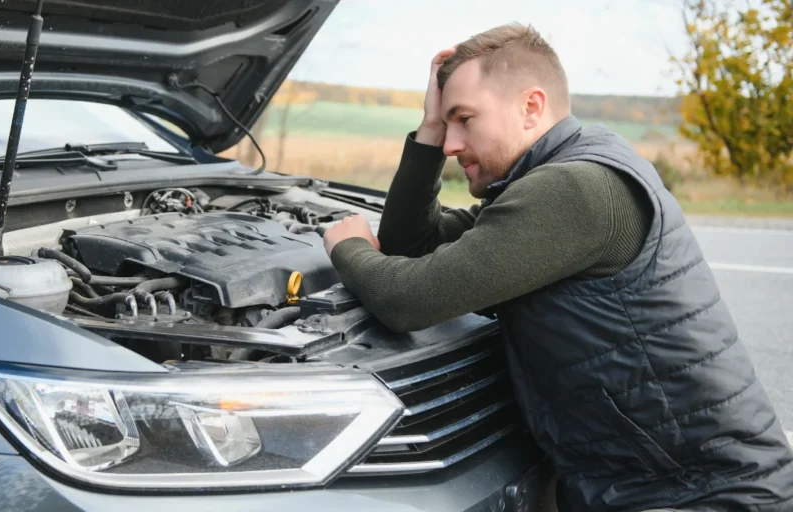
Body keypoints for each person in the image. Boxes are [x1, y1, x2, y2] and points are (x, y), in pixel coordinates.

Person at [321, 23, 793, 512]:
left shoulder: (576, 190)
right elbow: (411, 244)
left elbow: (409, 299)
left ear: (531, 106)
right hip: (653, 486)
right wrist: (430, 125)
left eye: (464, 119)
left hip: (701, 496)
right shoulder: (555, 175)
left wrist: (348, 248)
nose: (451, 145)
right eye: (449, 125)